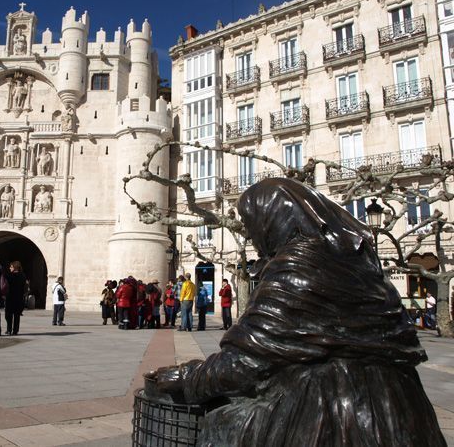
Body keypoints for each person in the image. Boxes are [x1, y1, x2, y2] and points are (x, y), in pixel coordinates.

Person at [148, 177, 446, 446]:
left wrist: (187, 376)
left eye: (253, 226)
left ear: (273, 220)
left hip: (333, 416)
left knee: (224, 423)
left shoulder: (297, 267)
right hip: (401, 409)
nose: (252, 238)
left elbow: (245, 362)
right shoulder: (358, 262)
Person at [5, 261, 26, 335]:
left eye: (11, 267)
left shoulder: (9, 276)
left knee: (8, 315)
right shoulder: (23, 276)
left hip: (10, 297)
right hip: (19, 298)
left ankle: (9, 329)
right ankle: (15, 330)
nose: (9, 268)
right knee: (17, 315)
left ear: (14, 267)